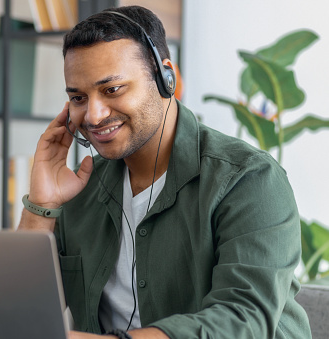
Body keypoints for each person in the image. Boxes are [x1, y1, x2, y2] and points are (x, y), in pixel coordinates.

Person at [18, 5, 311, 339]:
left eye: (112, 89)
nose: (94, 115)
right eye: (78, 97)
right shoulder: (80, 189)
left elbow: (242, 321)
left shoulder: (248, 179)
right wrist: (41, 204)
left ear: (165, 77)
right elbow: (14, 312)